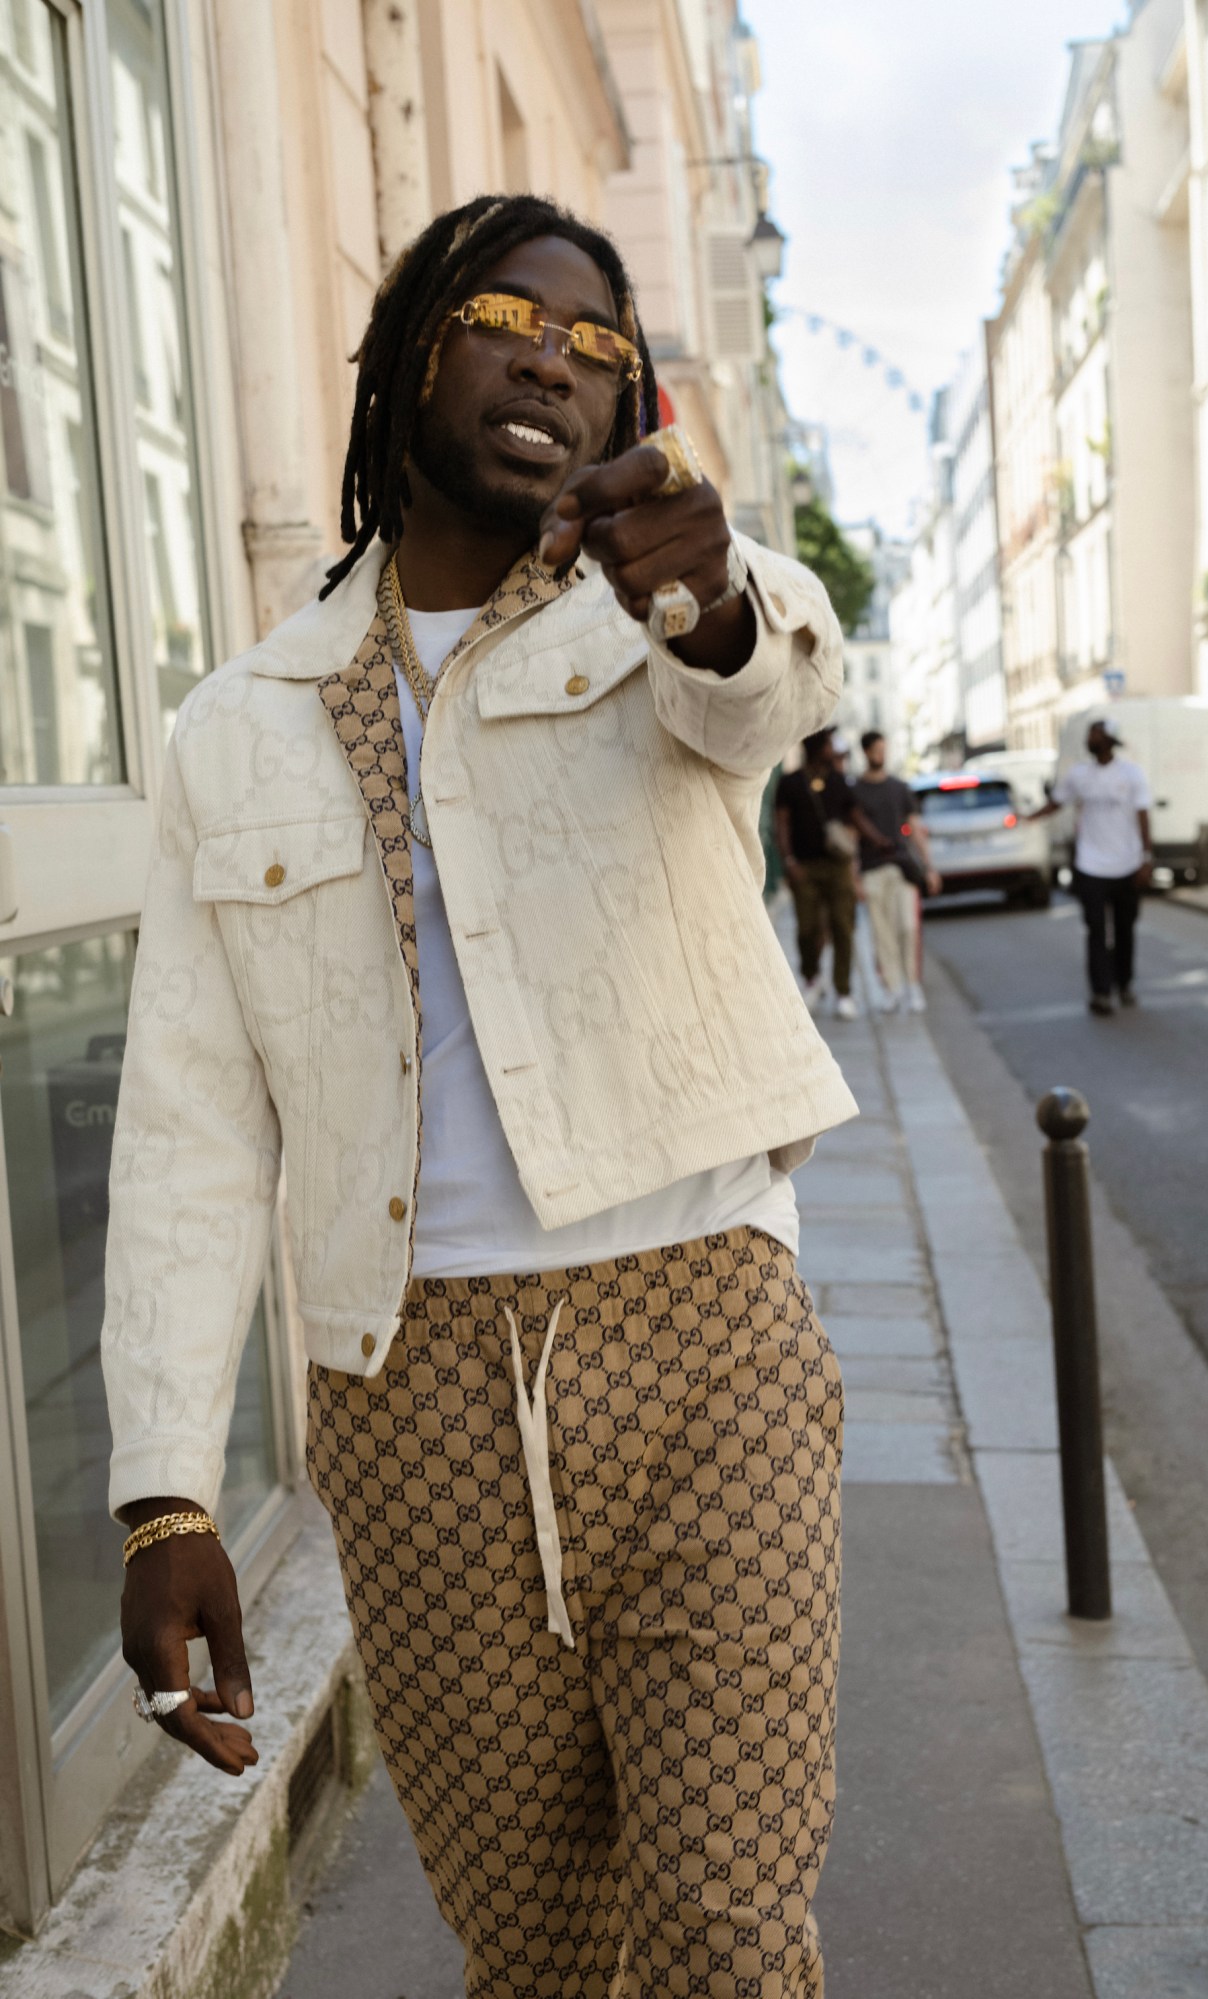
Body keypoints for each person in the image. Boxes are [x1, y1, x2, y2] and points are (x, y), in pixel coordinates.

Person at [101, 194, 858, 1996]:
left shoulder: (651, 620)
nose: (554, 359)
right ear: (405, 354)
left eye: (601, 348)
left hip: (704, 1340)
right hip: (407, 1386)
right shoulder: (242, 727)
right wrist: (164, 1491)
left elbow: (769, 686)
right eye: (511, 318)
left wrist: (702, 591)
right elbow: (194, 1123)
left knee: (730, 1931)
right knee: (533, 1947)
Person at [1031, 717, 1153, 1015]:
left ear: (1109, 739)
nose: (1090, 738)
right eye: (1089, 733)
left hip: (1127, 864)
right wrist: (1026, 819)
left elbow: (1143, 816)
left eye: (1095, 733)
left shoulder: (1131, 774)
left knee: (1124, 930)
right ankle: (1101, 992)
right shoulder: (1078, 775)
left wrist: (1146, 858)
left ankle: (1123, 983)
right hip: (1091, 865)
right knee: (1096, 930)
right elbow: (1056, 802)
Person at [851, 728, 940, 1014]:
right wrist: (854, 876)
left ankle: (913, 985)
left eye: (884, 749)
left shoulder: (899, 787)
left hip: (903, 868)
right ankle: (892, 988)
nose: (881, 755)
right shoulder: (856, 792)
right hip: (871, 869)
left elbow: (915, 829)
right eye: (876, 750)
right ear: (865, 752)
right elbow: (852, 836)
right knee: (882, 933)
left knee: (908, 927)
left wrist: (929, 867)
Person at [774, 727, 860, 1018]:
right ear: (817, 747)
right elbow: (781, 823)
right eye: (828, 744)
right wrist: (788, 861)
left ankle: (843, 991)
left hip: (837, 867)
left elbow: (854, 818)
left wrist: (872, 845)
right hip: (804, 867)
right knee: (807, 929)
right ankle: (812, 977)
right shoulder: (790, 782)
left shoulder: (837, 781)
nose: (833, 749)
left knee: (843, 926)